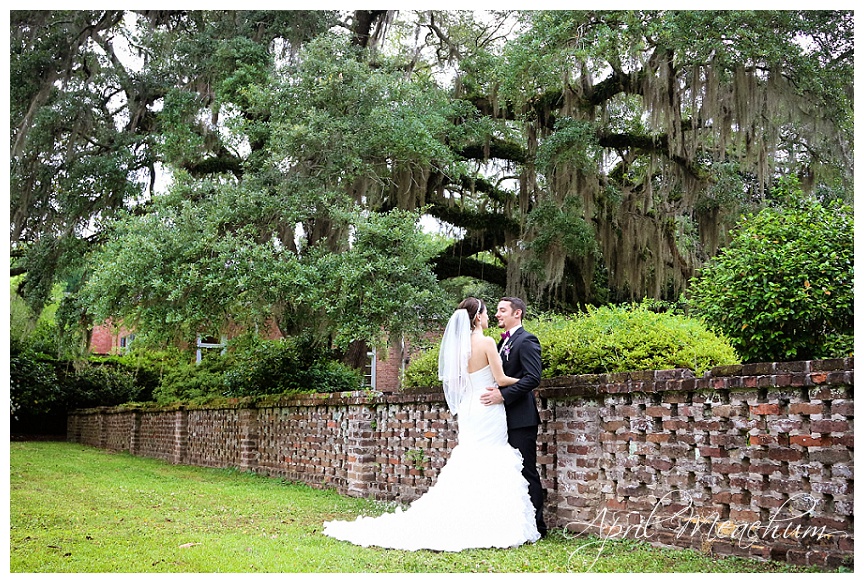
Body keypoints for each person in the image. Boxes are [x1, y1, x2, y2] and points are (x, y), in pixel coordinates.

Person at [322, 297, 541, 551]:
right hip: (488, 408)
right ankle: (491, 519)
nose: (492, 315)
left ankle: (467, 516)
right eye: (488, 312)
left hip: (471, 408)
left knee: (472, 460)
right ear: (477, 317)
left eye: (500, 310)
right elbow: (502, 378)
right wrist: (523, 382)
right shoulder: (489, 342)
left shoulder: (462, 347)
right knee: (492, 460)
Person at [479, 297, 547, 538]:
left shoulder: (527, 340)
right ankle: (512, 523)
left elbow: (533, 378)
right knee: (505, 471)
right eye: (496, 311)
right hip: (498, 419)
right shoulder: (500, 342)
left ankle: (537, 526)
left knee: (526, 470)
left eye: (502, 310)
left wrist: (503, 396)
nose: (497, 314)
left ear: (517, 314)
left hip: (521, 418)